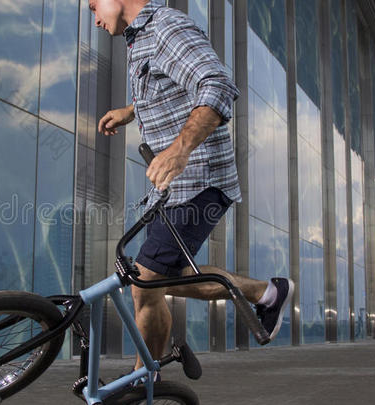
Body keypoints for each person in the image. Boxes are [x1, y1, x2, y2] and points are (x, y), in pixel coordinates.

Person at [89, 0, 294, 372]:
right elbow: (172, 83)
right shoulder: (141, 39)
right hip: (173, 189)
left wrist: (180, 149)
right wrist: (132, 110)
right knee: (151, 285)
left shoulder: (166, 26)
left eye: (91, 4)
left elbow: (217, 84)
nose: (93, 15)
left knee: (146, 280)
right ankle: (267, 293)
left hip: (200, 179)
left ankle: (141, 381)